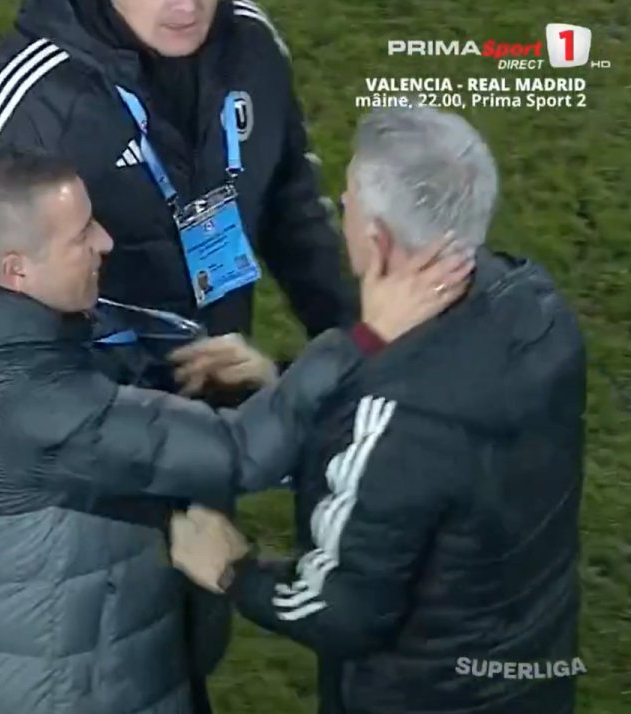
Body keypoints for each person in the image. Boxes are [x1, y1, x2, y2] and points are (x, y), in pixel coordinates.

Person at [0, 0, 357, 690]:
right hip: (82, 433)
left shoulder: (251, 44)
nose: (185, 5)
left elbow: (292, 206)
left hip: (203, 395)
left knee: (191, 624)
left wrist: (371, 354)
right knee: (86, 644)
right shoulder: (35, 94)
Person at [0, 146, 472, 714]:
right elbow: (240, 453)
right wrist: (364, 339)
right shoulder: (46, 411)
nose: (105, 241)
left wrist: (196, 370)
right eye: (81, 236)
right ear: (17, 270)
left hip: (22, 667)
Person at [167, 106, 586, 714]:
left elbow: (344, 610)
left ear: (378, 240)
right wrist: (283, 383)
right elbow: (423, 451)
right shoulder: (540, 309)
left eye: (349, 201)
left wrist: (234, 570)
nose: (341, 204)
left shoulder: (397, 415)